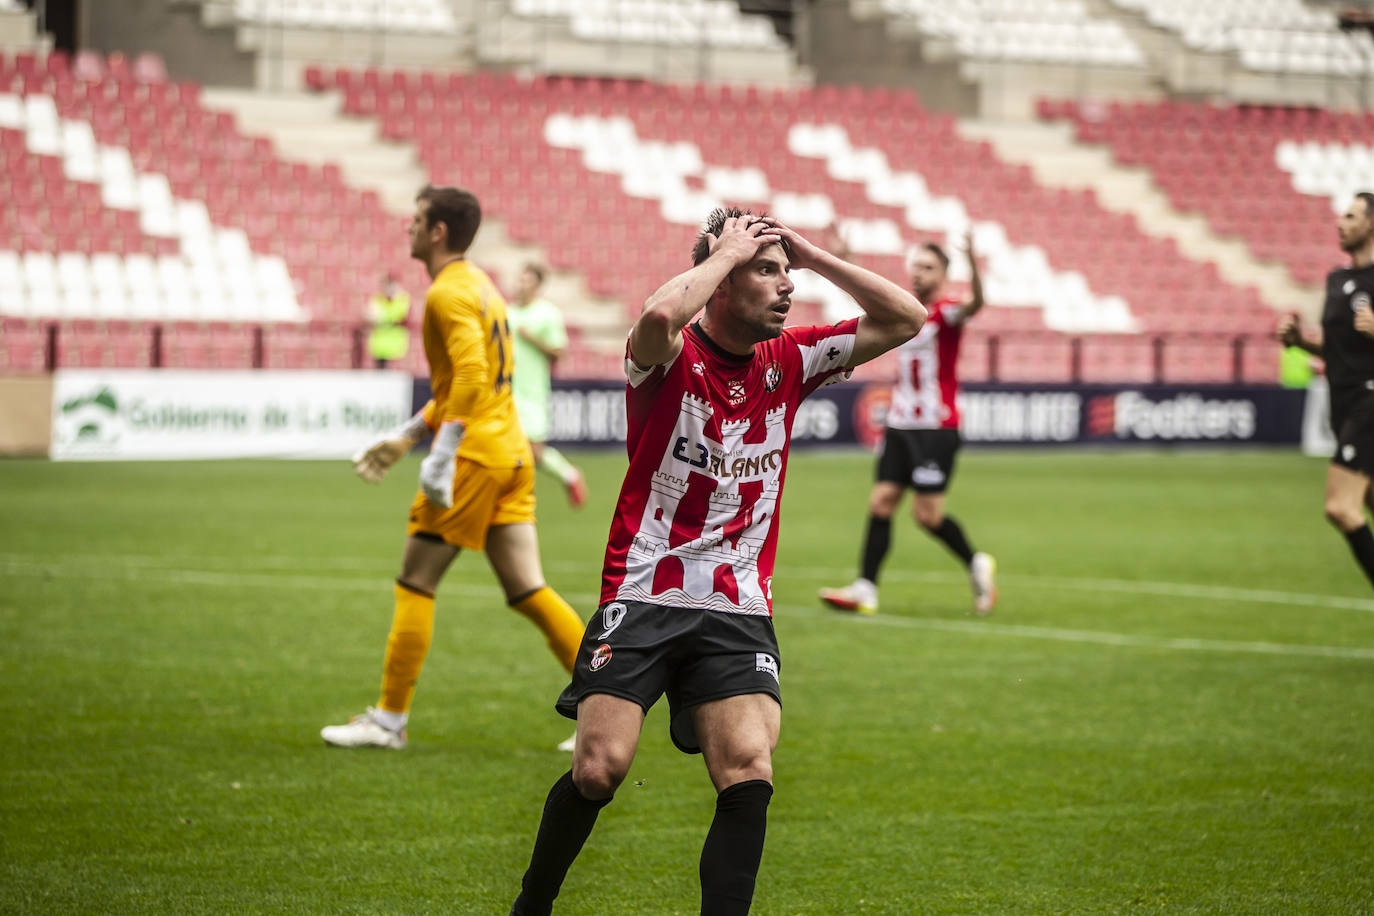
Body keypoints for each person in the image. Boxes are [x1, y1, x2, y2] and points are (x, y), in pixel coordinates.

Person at [507, 208, 926, 916]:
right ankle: (532, 906)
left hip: (736, 603)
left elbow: (907, 317)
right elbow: (656, 314)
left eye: (785, 273)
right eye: (767, 272)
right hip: (645, 591)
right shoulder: (667, 356)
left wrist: (810, 255)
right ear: (723, 281)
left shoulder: (791, 359)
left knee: (749, 770)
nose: (786, 287)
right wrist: (726, 252)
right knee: (599, 770)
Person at [321, 185, 585, 750]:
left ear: (438, 231)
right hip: (510, 452)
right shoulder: (481, 287)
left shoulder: (446, 294)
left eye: (416, 219)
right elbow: (473, 382)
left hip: (474, 459)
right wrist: (408, 435)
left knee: (416, 580)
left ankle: (389, 722)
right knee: (528, 588)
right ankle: (604, 708)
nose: (408, 228)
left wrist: (439, 458)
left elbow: (469, 379)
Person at [819, 229, 997, 616]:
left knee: (926, 516)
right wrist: (847, 260)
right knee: (881, 502)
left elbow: (976, 304)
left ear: (944, 273)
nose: (919, 273)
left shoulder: (947, 311)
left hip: (936, 426)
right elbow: (870, 298)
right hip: (900, 423)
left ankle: (975, 562)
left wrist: (973, 263)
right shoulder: (905, 311)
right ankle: (866, 588)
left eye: (928, 267)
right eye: (915, 266)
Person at [1278, 190, 1374, 590]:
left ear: (1371, 225)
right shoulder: (1337, 280)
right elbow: (1337, 347)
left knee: (1340, 508)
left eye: (1352, 216)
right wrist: (1301, 341)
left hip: (1369, 401)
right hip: (1343, 403)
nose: (1341, 222)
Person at [507, 262, 589, 508]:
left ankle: (569, 475)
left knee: (533, 451)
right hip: (505, 392)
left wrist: (531, 338)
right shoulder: (506, 312)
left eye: (527, 280)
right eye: (520, 279)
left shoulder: (546, 314)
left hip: (531, 392)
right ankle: (509, 497)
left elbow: (558, 352)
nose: (521, 284)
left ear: (538, 285)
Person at [366, 272, 411, 369]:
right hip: (380, 344)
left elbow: (403, 318)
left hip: (396, 343)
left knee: (396, 374)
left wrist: (384, 318)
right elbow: (371, 316)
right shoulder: (378, 298)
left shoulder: (402, 299)